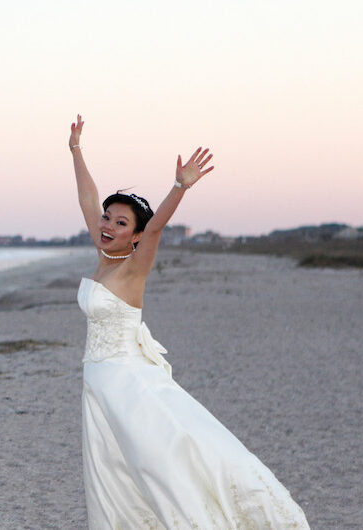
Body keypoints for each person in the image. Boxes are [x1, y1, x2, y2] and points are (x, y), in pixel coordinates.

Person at [68, 114, 310, 528]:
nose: (107, 225)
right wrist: (76, 150)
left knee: (160, 463)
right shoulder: (105, 251)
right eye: (108, 218)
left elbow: (158, 224)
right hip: (97, 382)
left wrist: (179, 186)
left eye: (120, 223)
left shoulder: (133, 266)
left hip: (128, 381)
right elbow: (88, 199)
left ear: (136, 235)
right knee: (113, 471)